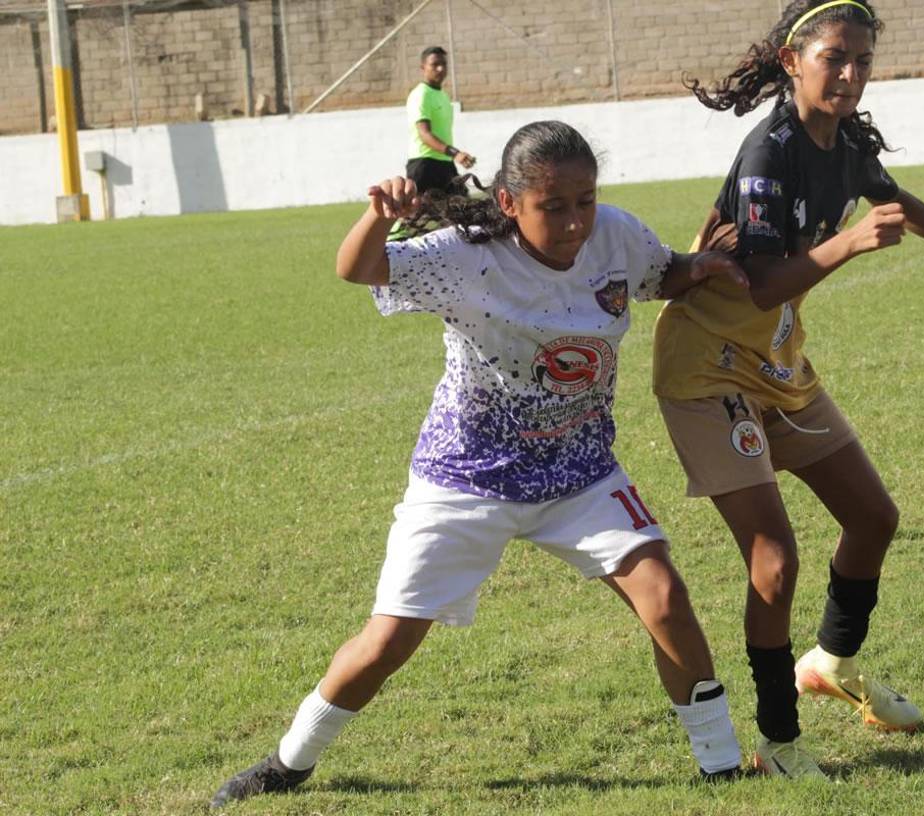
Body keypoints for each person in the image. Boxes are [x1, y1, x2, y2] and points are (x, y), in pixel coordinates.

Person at [209, 121, 750, 808]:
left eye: (584, 200)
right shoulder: (465, 257)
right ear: (507, 203)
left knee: (665, 598)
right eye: (553, 206)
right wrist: (379, 218)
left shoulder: (614, 232)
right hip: (466, 477)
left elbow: (658, 273)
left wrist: (696, 267)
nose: (576, 221)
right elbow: (358, 269)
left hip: (579, 470)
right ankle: (288, 762)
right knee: (386, 643)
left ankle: (723, 766)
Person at [653, 0, 924, 779]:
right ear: (793, 61)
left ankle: (830, 660)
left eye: (862, 60)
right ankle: (779, 740)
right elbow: (759, 285)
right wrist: (850, 244)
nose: (852, 75)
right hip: (708, 368)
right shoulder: (769, 153)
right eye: (836, 59)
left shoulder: (845, 138)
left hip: (777, 360)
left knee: (872, 517)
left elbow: (894, 199)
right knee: (775, 560)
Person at [404, 46, 476, 197]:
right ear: (423, 67)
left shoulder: (443, 95)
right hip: (424, 164)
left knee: (463, 210)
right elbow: (424, 134)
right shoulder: (421, 94)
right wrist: (455, 153)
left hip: (444, 163)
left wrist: (452, 155)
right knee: (411, 216)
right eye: (435, 64)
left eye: (443, 64)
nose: (440, 68)